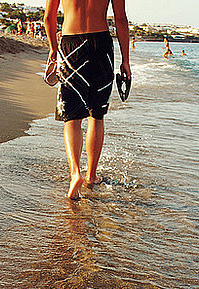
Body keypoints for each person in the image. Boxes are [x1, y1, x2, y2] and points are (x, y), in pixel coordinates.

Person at [44, 0, 131, 200]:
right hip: (101, 46)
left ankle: (76, 174)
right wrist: (125, 60)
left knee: (72, 118)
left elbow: (49, 17)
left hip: (71, 44)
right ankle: (91, 175)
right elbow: (120, 19)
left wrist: (53, 49)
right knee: (96, 115)